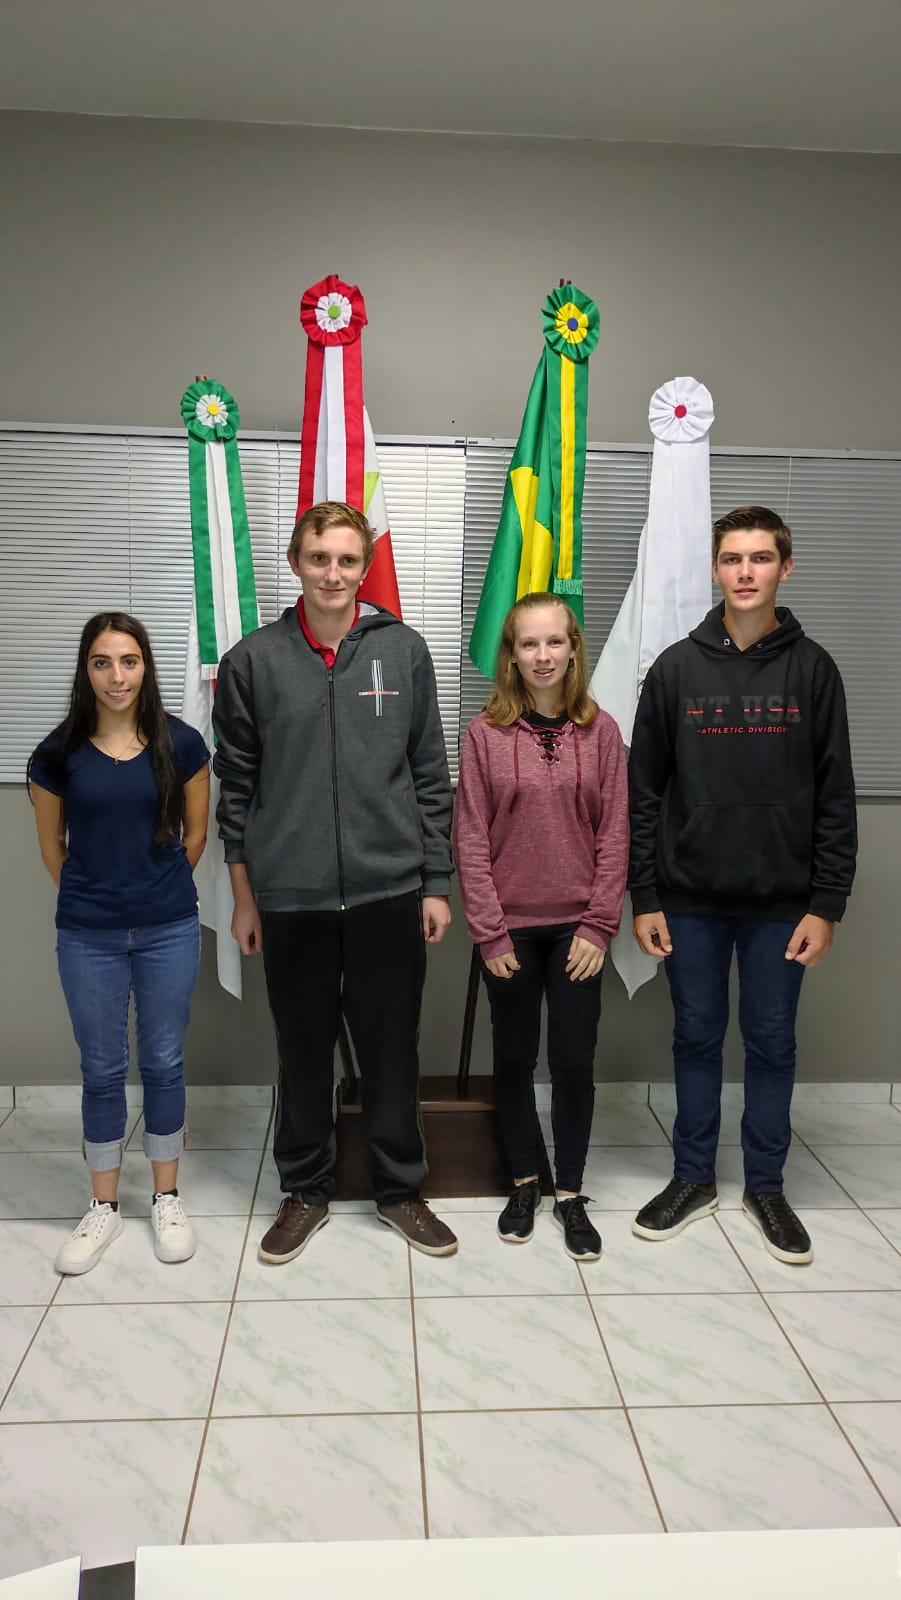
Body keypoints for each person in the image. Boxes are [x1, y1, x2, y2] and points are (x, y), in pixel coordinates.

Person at [213, 500, 458, 1262]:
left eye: (347, 559)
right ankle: (305, 1190)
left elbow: (429, 774)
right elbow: (236, 791)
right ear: (295, 562)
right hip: (291, 897)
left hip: (389, 891)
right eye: (319, 558)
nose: (332, 573)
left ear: (364, 566)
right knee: (302, 1051)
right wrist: (245, 898)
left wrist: (435, 881)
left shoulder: (403, 651)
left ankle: (399, 1190)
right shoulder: (253, 661)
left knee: (391, 1052)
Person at [628, 506, 857, 1265]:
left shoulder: (813, 670)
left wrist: (826, 904)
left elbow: (835, 795)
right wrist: (645, 894)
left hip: (781, 903)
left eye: (761, 558)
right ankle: (693, 1177)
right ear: (715, 570)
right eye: (732, 559)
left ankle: (765, 1186)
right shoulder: (674, 669)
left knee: (770, 1042)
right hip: (688, 897)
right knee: (695, 1037)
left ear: (785, 568)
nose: (746, 572)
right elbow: (643, 793)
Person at [28, 612, 210, 1275]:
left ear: (146, 667)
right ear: (86, 670)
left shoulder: (182, 744)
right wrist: (102, 898)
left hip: (168, 929)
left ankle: (166, 1197)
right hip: (87, 935)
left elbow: (196, 835)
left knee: (163, 1060)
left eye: (129, 661)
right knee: (102, 1068)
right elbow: (52, 850)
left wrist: (152, 894)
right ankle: (103, 1205)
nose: (116, 675)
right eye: (102, 662)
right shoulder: (56, 755)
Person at [454, 593, 629, 1260]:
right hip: (511, 932)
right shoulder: (484, 734)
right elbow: (470, 838)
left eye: (555, 641)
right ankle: (525, 1181)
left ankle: (571, 1192)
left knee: (574, 1061)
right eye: (529, 643)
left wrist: (599, 924)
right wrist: (489, 931)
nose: (543, 655)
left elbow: (616, 835)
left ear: (574, 648)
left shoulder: (602, 732)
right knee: (513, 1058)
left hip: (578, 929)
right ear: (511, 654)